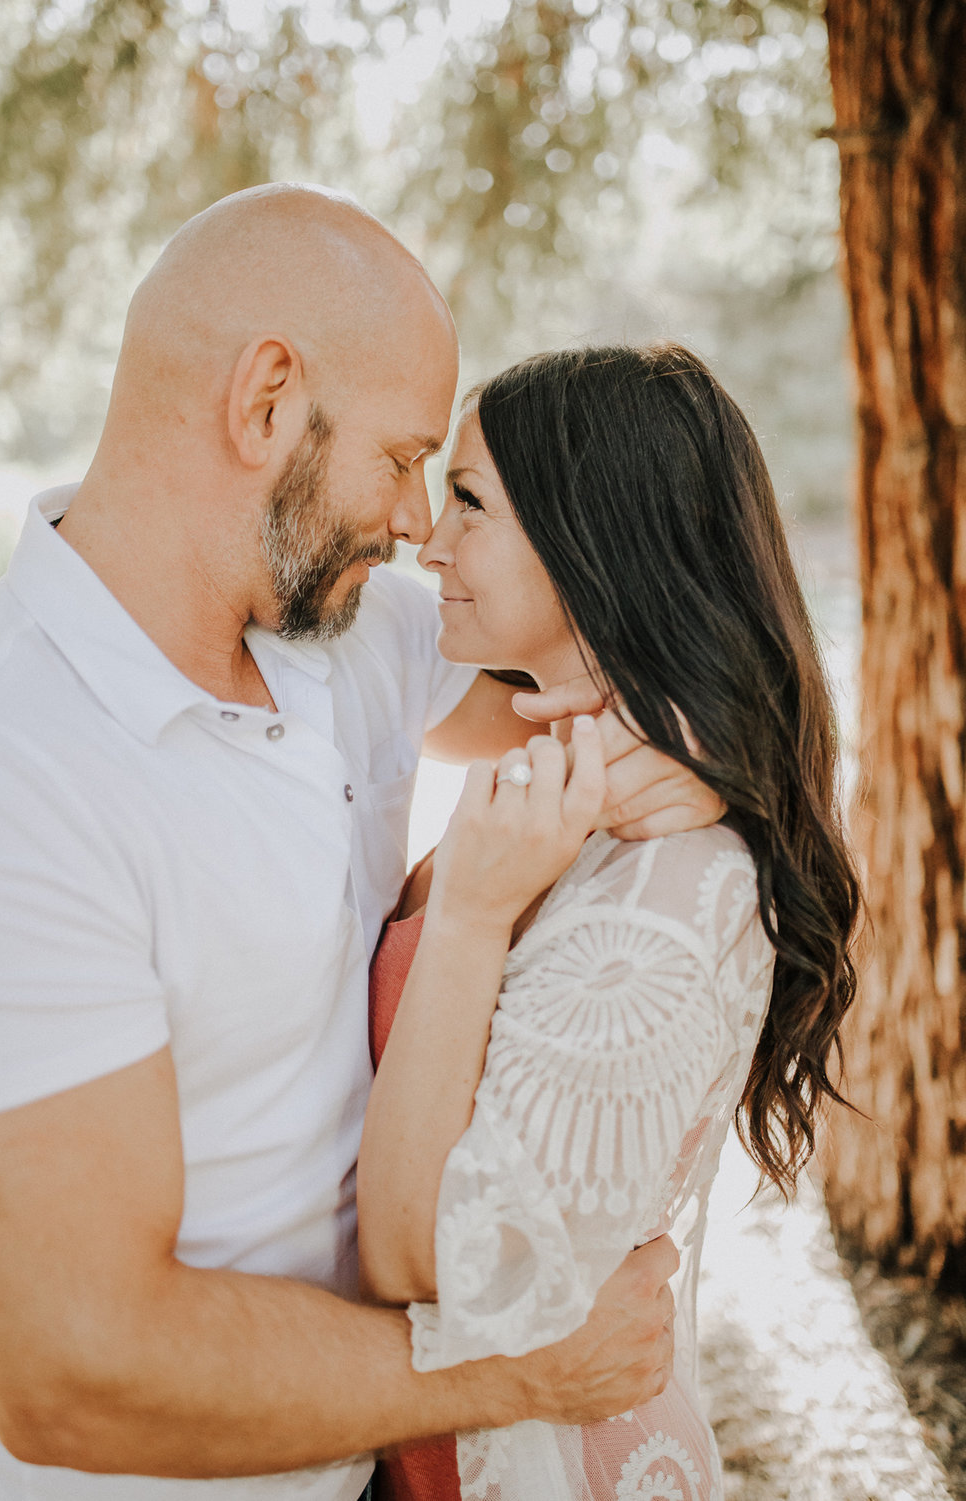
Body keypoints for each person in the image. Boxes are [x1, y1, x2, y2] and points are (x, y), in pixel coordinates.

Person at [0, 187, 724, 1499]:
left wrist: (693, 751)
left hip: (370, 1461)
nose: (420, 520)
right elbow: (72, 1365)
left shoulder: (344, 633)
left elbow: (594, 672)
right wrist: (519, 1366)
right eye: (400, 457)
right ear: (265, 403)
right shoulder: (11, 763)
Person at [357, 344, 862, 1501]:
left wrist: (473, 913)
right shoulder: (581, 781)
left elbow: (422, 1261)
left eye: (469, 501)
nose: (426, 541)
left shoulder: (670, 889)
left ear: (594, 538)